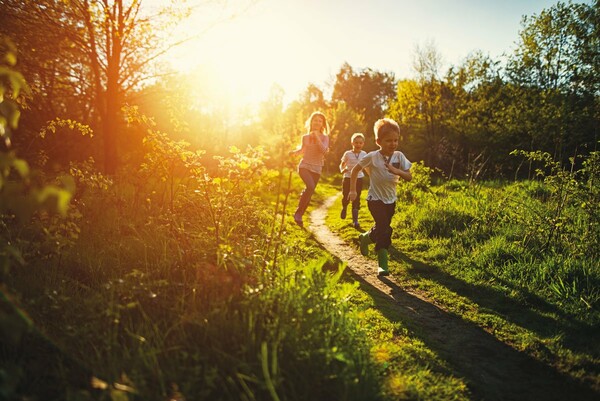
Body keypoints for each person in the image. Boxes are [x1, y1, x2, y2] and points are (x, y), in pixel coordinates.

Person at [347, 118, 412, 276]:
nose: (393, 143)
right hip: (375, 199)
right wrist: (353, 190)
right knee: (385, 229)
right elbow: (355, 170)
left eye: (395, 140)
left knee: (381, 228)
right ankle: (383, 264)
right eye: (388, 140)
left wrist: (397, 171)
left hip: (391, 200)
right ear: (378, 141)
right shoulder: (372, 156)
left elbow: (409, 176)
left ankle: (366, 238)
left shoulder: (399, 156)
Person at [289, 111, 330, 227]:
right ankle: (298, 213)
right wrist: (294, 153)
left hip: (317, 169)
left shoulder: (325, 138)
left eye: (319, 121)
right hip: (304, 166)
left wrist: (317, 138)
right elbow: (302, 150)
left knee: (309, 190)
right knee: (311, 187)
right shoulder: (305, 137)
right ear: (311, 122)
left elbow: (323, 151)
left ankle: (300, 214)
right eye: (315, 120)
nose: (317, 122)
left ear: (323, 124)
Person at [339, 132, 367, 228]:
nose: (358, 144)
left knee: (357, 197)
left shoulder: (364, 154)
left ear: (363, 144)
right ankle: (344, 207)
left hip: (359, 178)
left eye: (360, 143)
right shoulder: (347, 153)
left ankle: (355, 221)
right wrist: (342, 170)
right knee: (346, 195)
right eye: (356, 142)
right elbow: (342, 164)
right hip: (347, 177)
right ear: (352, 143)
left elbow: (367, 166)